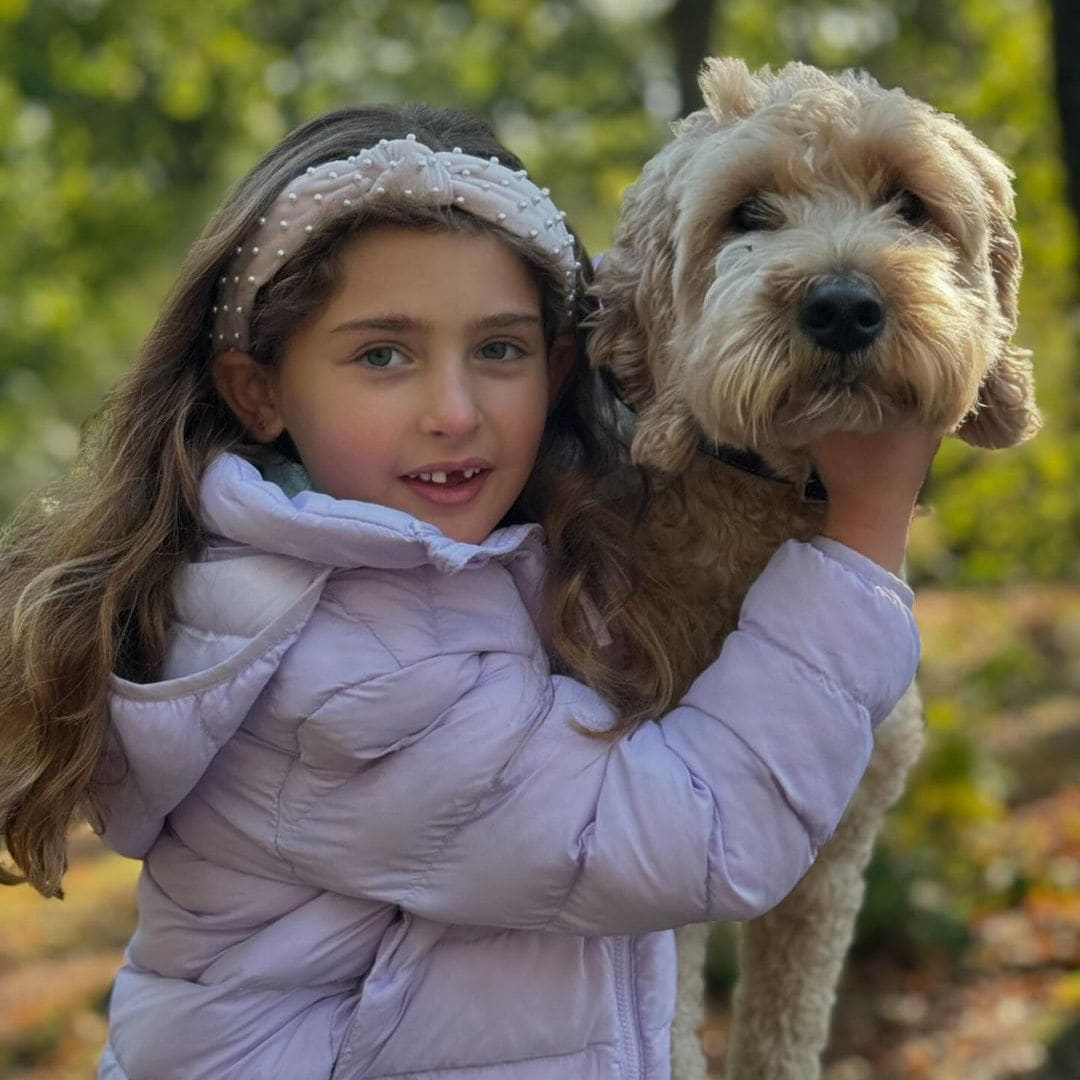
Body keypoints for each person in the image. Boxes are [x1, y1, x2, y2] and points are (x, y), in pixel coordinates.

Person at [0, 103, 936, 1079]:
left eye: (498, 350)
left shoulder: (474, 571)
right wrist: (864, 533)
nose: (454, 413)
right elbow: (697, 840)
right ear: (259, 392)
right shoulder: (337, 672)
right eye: (382, 355)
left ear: (557, 365)